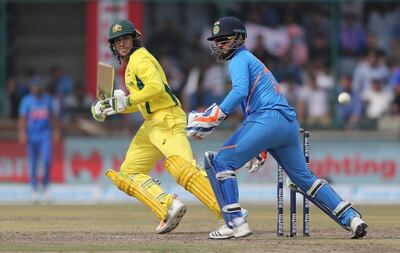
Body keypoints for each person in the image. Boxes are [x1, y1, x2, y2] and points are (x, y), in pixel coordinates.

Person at [186, 16, 368, 239]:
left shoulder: (239, 59)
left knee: (219, 162)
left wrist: (211, 118)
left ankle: (235, 223)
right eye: (218, 41)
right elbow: (256, 104)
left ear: (240, 39)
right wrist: (260, 148)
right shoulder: (252, 61)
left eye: (224, 39)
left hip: (267, 120)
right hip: (287, 124)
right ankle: (351, 217)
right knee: (304, 179)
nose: (220, 45)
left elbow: (240, 91)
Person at [91, 19, 228, 234]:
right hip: (151, 124)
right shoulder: (131, 64)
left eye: (125, 38)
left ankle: (229, 213)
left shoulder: (140, 58)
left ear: (134, 39)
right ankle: (168, 205)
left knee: (185, 170)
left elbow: (155, 89)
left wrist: (125, 101)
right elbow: (143, 101)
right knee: (129, 173)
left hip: (167, 119)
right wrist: (111, 107)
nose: (122, 44)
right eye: (117, 41)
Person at [18, 76, 60, 202]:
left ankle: (46, 186)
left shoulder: (48, 100)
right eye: (34, 87)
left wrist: (56, 131)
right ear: (31, 88)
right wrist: (22, 133)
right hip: (32, 135)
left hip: (45, 135)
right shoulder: (27, 101)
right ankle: (34, 189)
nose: (36, 90)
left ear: (41, 88)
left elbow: (53, 117)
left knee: (47, 160)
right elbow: (22, 118)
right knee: (33, 163)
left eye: (38, 87)